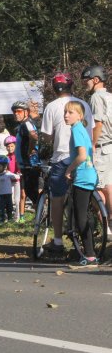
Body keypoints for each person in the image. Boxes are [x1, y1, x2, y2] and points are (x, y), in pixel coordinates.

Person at [40, 72, 93, 254]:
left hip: (62, 157)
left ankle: (57, 241)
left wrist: (53, 137)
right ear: (71, 86)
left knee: (57, 197)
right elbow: (91, 131)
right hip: (85, 157)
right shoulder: (83, 104)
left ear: (54, 88)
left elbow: (47, 136)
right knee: (86, 196)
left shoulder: (52, 107)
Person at [64, 100, 99, 266]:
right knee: (85, 213)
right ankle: (90, 250)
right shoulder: (83, 130)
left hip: (83, 177)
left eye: (70, 112)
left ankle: (90, 254)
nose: (66, 115)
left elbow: (82, 155)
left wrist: (69, 170)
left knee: (81, 217)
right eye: (65, 112)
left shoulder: (77, 129)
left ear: (79, 115)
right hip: (91, 174)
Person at [82, 65, 112, 237]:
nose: (85, 83)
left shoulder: (96, 97)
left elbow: (98, 123)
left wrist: (92, 144)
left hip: (101, 146)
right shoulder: (110, 96)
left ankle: (107, 227)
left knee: (98, 187)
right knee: (109, 185)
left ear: (96, 79)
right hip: (111, 145)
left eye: (87, 80)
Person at [12, 101, 41, 210]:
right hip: (25, 165)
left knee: (32, 191)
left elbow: (34, 136)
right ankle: (41, 216)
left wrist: (30, 150)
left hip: (31, 164)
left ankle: (44, 216)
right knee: (31, 192)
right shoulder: (22, 126)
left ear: (26, 112)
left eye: (19, 111)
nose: (16, 113)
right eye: (14, 111)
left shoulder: (26, 123)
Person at [0, 155, 18, 223]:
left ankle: (10, 218)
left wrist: (18, 175)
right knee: (1, 208)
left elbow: (16, 177)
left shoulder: (8, 174)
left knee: (9, 207)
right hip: (0, 195)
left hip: (8, 194)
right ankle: (2, 220)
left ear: (5, 166)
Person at [4, 135, 22, 221]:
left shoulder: (17, 156)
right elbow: (6, 168)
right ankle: (9, 215)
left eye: (12, 146)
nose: (10, 148)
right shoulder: (6, 157)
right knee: (9, 198)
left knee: (17, 199)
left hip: (17, 180)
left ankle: (17, 216)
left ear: (15, 146)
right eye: (8, 146)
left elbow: (19, 168)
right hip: (9, 180)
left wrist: (19, 173)